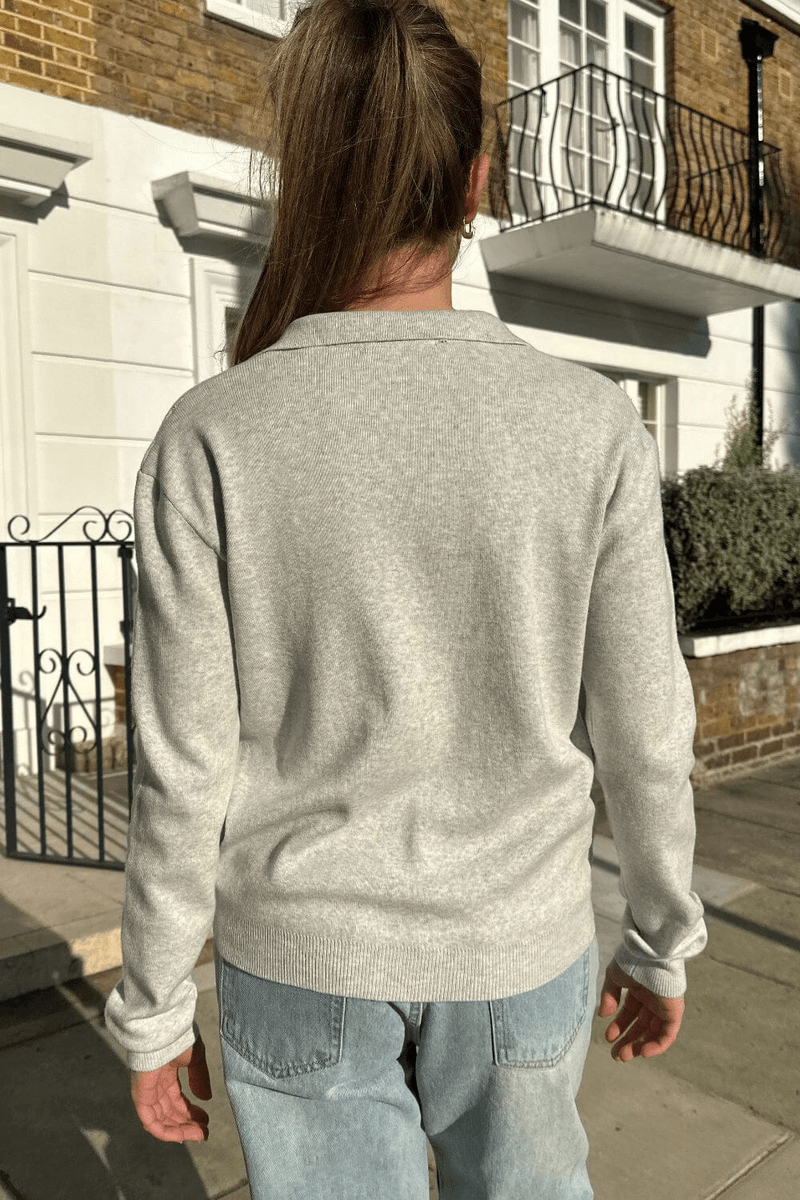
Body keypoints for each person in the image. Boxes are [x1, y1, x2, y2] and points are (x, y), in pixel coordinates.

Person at [104, 1, 708, 1196]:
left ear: (304, 177)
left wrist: (154, 1006)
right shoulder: (586, 426)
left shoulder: (212, 436)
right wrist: (659, 935)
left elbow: (182, 766)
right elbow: (645, 729)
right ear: (476, 179)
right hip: (515, 942)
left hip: (299, 958)